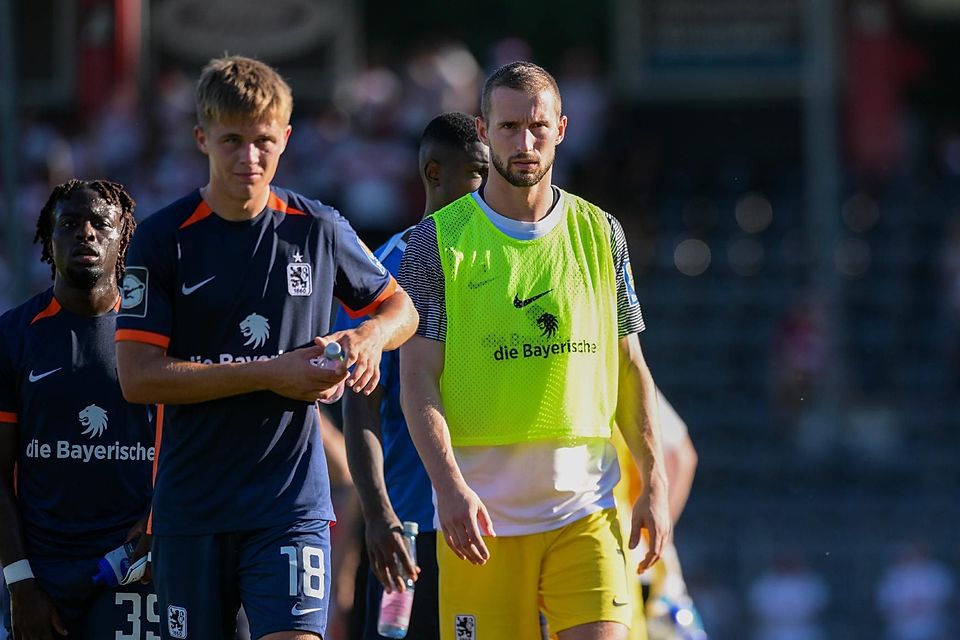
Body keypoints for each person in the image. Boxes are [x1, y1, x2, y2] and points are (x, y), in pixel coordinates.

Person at [114, 55, 418, 640]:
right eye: (231, 140)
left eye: (262, 141)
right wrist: (271, 372)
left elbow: (398, 306)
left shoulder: (318, 227)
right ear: (202, 138)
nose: (248, 158)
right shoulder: (160, 238)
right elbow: (138, 377)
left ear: (286, 138)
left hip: (289, 505)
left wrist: (368, 337)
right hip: (192, 507)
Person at [398, 61, 671, 640]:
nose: (525, 143)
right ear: (484, 128)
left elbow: (629, 365)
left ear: (562, 129)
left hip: (586, 513)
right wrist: (447, 486)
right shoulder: (434, 242)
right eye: (509, 127)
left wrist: (654, 482)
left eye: (538, 127)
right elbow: (417, 379)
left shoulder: (602, 232)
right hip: (481, 523)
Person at [337, 112, 488, 640]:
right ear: (433, 173)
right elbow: (360, 405)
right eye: (477, 173)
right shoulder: (383, 275)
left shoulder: (499, 268)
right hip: (412, 532)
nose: (486, 189)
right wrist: (378, 515)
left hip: (493, 524)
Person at [0, 179, 159, 639]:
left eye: (100, 224)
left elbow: (185, 444)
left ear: (122, 238)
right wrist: (19, 580)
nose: (85, 233)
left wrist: (157, 523)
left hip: (133, 567)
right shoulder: (13, 337)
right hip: (43, 574)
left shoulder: (153, 333)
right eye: (69, 224)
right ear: (48, 240)